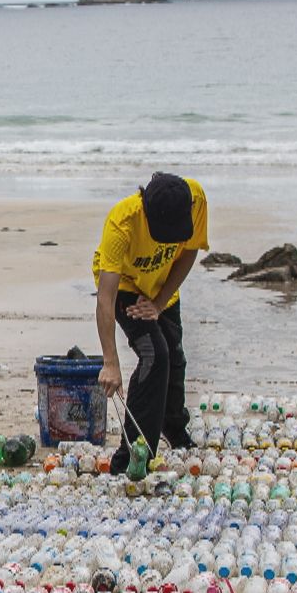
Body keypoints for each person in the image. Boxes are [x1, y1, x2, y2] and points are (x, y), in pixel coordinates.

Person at [93, 171, 210, 474]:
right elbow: (105, 297)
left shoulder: (194, 198)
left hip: (162, 287)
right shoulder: (122, 222)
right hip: (125, 287)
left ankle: (173, 426)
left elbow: (189, 252)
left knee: (175, 356)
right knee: (155, 355)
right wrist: (111, 362)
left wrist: (159, 304)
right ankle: (133, 451)